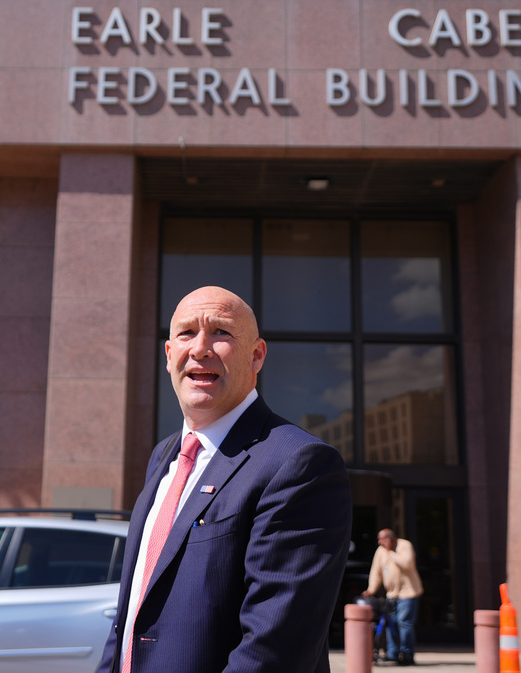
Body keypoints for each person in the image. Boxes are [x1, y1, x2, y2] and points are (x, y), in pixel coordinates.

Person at [97, 286, 352, 673]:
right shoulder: (163, 456)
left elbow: (274, 651)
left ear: (257, 355)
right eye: (186, 333)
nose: (200, 348)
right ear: (169, 356)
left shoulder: (299, 463)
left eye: (221, 333)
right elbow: (130, 615)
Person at [362, 528, 424, 666]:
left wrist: (391, 552)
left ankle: (407, 654)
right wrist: (371, 589)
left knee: (404, 622)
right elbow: (375, 572)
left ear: (390, 538)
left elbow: (407, 564)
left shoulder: (404, 545)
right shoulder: (380, 551)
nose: (379, 542)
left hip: (408, 593)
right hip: (392, 594)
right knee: (391, 623)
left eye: (382, 539)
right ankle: (392, 654)